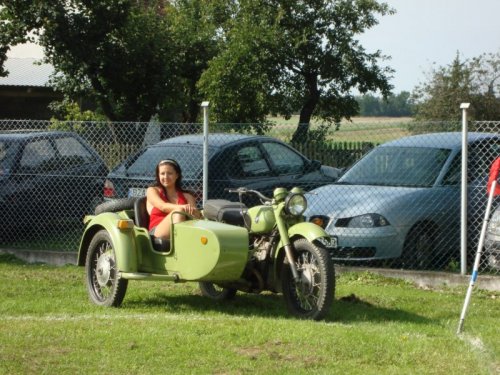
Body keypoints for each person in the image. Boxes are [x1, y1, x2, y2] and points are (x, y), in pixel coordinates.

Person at [147, 159, 200, 240]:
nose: (165, 177)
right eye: (162, 173)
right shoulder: (152, 191)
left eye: (170, 173)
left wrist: (196, 213)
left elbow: (195, 217)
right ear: (158, 175)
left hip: (186, 230)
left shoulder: (188, 196)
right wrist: (182, 208)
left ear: (177, 175)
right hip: (156, 232)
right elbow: (163, 206)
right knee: (178, 212)